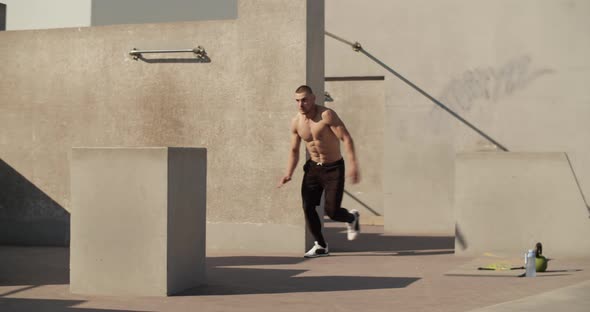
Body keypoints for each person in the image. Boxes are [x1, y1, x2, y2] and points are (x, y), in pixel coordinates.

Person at [278, 85, 361, 258]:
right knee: (307, 206)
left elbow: (346, 138)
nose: (301, 104)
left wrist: (353, 165)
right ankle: (321, 246)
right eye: (297, 100)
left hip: (333, 167)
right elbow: (294, 150)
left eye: (304, 100)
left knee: (332, 211)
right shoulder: (296, 122)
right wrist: (289, 172)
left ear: (313, 98)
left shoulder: (326, 115)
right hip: (313, 168)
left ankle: (351, 218)